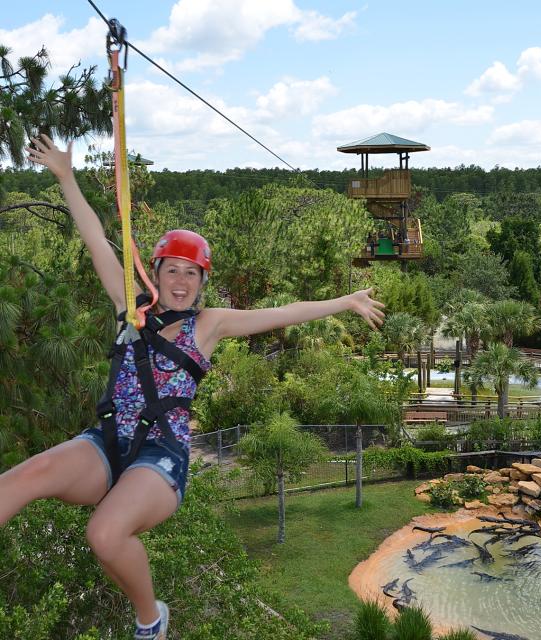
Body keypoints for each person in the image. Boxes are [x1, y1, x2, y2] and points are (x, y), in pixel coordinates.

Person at [0, 134, 386, 640]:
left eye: (191, 273)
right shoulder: (130, 309)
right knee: (18, 480)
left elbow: (281, 314)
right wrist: (67, 179)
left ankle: (150, 619)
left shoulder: (207, 325)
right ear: (154, 271)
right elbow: (95, 238)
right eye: (172, 270)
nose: (181, 281)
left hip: (161, 459)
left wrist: (343, 301)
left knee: (105, 533)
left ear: (202, 282)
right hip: (107, 442)